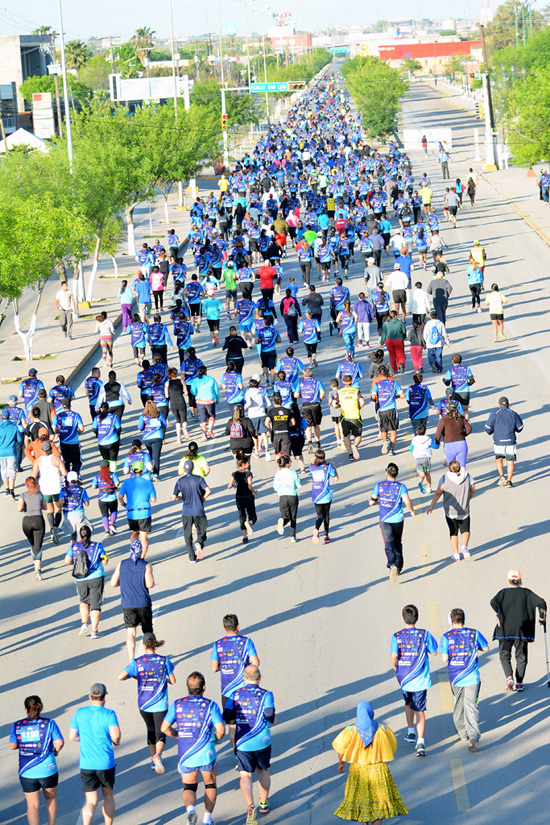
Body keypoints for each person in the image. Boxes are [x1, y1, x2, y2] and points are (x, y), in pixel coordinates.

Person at [160, 672, 224, 825]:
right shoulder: (211, 705)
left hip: (186, 753)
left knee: (189, 787)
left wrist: (177, 735)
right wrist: (216, 739)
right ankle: (207, 820)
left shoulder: (177, 704)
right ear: (204, 687)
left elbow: (164, 728)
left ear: (187, 688)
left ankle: (191, 811)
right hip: (206, 752)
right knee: (210, 784)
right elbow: (221, 730)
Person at [332, 701, 408, 824]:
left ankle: (364, 822)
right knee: (379, 802)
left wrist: (341, 763)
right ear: (371, 712)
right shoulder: (383, 729)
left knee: (363, 799)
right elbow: (392, 747)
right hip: (379, 770)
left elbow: (339, 748)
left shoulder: (350, 730)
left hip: (358, 770)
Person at [223, 666, 275, 823]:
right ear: (260, 677)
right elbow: (269, 714)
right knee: (263, 771)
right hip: (262, 740)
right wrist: (272, 720)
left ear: (243, 679)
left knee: (245, 774)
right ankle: (264, 803)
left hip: (242, 741)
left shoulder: (235, 694)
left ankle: (250, 806)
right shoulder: (267, 694)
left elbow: (226, 715)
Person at [118, 631, 175, 774]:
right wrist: (164, 680)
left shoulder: (136, 662)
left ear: (143, 646)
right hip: (160, 703)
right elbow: (173, 680)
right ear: (155, 644)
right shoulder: (164, 660)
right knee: (160, 731)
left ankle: (152, 760)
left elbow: (120, 677)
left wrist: (135, 676)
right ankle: (158, 755)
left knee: (150, 730)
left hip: (144, 704)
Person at [390, 604, 438, 756]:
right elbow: (435, 652)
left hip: (404, 678)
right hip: (420, 679)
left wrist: (396, 669)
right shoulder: (424, 634)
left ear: (403, 618)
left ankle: (411, 731)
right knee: (420, 710)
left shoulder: (397, 636)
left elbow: (394, 656)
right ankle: (421, 742)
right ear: (417, 618)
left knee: (408, 703)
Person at [69, 684, 121, 825]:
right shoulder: (109, 714)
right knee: (108, 796)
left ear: (90, 696)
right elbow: (115, 736)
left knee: (91, 801)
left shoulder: (80, 712)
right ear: (105, 697)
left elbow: (72, 736)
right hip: (105, 763)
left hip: (87, 765)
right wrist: (115, 741)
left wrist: (84, 738)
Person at [439, 608, 489, 752]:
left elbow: (444, 658)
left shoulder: (446, 636)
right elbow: (486, 648)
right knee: (471, 705)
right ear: (464, 619)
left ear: (451, 620)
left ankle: (462, 733)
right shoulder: (474, 633)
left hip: (456, 677)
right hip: (472, 676)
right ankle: (473, 735)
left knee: (458, 704)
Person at [9, 695, 64, 825]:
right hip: (48, 770)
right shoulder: (49, 723)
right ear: (40, 708)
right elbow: (59, 742)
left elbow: (12, 746)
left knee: (32, 806)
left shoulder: (17, 725)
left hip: (27, 771)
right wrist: (55, 750)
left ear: (26, 709)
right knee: (50, 799)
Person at [490, 570, 547, 691]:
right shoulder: (527, 593)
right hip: (522, 631)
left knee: (504, 655)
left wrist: (498, 614)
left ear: (508, 580)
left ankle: (509, 677)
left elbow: (493, 602)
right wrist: (542, 617)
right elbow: (542, 603)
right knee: (521, 657)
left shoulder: (503, 593)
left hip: (505, 629)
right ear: (520, 581)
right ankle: (520, 682)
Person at [369, 463, 415, 581]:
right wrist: (412, 511)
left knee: (388, 543)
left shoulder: (379, 486)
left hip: (385, 519)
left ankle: (392, 563)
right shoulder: (401, 486)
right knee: (398, 542)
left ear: (386, 473)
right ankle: (399, 566)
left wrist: (379, 502)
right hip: (398, 519)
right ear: (397, 474)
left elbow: (371, 502)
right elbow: (407, 501)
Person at [110, 540, 155, 659]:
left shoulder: (122, 564)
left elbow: (113, 583)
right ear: (141, 552)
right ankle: (149, 656)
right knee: (147, 632)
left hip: (128, 604)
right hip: (143, 603)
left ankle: (131, 659)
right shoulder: (146, 565)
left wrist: (124, 582)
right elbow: (150, 584)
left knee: (131, 633)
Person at [64, 525, 108, 639]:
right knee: (95, 604)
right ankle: (94, 631)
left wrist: (75, 562)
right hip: (96, 577)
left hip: (80, 578)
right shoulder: (98, 545)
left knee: (83, 601)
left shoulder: (73, 547)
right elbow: (105, 561)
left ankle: (84, 624)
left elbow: (67, 561)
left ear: (79, 535)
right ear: (91, 534)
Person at [427, 460, 476, 561]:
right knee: (465, 530)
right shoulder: (467, 475)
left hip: (450, 512)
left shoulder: (445, 478)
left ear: (449, 468)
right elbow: (473, 488)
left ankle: (456, 553)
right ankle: (464, 547)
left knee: (453, 532)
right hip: (464, 509)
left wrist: (431, 506)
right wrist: (469, 498)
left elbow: (438, 493)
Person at [210, 614, 260, 708]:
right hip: (244, 687)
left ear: (224, 627)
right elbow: (256, 663)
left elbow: (213, 668)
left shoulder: (217, 644)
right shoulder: (247, 641)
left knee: (230, 719)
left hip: (227, 690)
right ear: (238, 626)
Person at [172, 459, 211, 563]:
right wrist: (203, 498)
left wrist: (182, 498)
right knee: (202, 530)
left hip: (186, 512)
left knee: (187, 533)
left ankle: (192, 557)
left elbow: (174, 497)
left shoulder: (180, 481)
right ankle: (199, 542)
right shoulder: (199, 479)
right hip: (198, 510)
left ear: (184, 469)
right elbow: (208, 490)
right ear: (193, 468)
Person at [118, 463, 157, 557]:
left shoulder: (126, 483)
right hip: (145, 512)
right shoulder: (148, 482)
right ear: (142, 470)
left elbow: (120, 496)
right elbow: (153, 499)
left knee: (135, 533)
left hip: (132, 513)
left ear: (132, 470)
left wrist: (123, 503)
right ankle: (142, 557)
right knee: (144, 538)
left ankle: (135, 552)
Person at [484, 396, 524, 487]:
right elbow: (520, 427)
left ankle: (502, 476)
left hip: (498, 441)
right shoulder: (513, 413)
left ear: (499, 404)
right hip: (511, 441)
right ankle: (509, 481)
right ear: (508, 404)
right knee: (510, 461)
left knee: (499, 459)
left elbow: (487, 428)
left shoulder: (494, 413)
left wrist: (492, 431)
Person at [31, 442, 66, 544]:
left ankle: (51, 528)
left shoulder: (38, 461)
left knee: (49, 509)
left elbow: (33, 475)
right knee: (58, 509)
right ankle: (55, 527)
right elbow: (64, 473)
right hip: (57, 488)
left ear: (42, 450)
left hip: (45, 489)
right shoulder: (56, 459)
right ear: (51, 449)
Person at [17, 476, 48, 580]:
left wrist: (24, 509)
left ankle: (35, 564)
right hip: (38, 520)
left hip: (26, 521)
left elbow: (19, 509)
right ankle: (37, 569)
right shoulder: (40, 494)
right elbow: (45, 507)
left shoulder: (23, 495)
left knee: (32, 544)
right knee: (38, 545)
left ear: (26, 485)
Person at [370, 367, 405, 455]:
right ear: (387, 373)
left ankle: (385, 441)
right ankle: (391, 450)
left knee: (383, 429)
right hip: (392, 409)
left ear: (379, 375)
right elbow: (403, 396)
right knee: (393, 430)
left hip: (381, 410)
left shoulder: (376, 384)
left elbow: (373, 397)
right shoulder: (394, 383)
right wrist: (396, 396)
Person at [309, 449, 338, 544]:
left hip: (316, 496)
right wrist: (334, 467)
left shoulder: (312, 467)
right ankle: (326, 535)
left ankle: (316, 529)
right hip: (326, 495)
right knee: (326, 515)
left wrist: (313, 461)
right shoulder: (328, 466)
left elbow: (311, 466)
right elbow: (336, 479)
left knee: (319, 516)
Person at [52, 396, 84, 476]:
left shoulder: (58, 416)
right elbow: (81, 428)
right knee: (77, 461)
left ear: (62, 406)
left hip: (63, 442)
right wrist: (77, 433)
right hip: (74, 442)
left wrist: (59, 432)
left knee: (66, 462)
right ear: (70, 405)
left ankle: (67, 479)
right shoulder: (76, 415)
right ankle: (74, 476)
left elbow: (53, 428)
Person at [227, 457, 257, 543]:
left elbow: (229, 485)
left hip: (239, 497)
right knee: (252, 515)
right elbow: (249, 486)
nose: (248, 464)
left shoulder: (234, 474)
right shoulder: (248, 473)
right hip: (248, 496)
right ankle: (250, 523)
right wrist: (254, 491)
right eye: (247, 463)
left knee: (241, 516)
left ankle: (244, 536)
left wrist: (234, 486)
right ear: (243, 464)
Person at [273, 455, 301, 542]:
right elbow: (299, 485)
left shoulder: (278, 473)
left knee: (286, 516)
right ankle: (293, 536)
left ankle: (283, 521)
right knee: (293, 517)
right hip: (292, 496)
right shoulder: (293, 472)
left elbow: (275, 487)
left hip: (282, 497)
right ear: (287, 464)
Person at [188, 365, 220, 441]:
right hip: (210, 400)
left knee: (202, 418)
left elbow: (192, 391)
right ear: (206, 371)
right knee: (211, 416)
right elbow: (216, 390)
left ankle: (204, 435)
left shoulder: (195, 380)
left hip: (200, 401)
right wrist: (217, 399)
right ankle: (210, 429)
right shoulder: (211, 379)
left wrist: (197, 394)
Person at [138, 400, 167, 480]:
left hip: (147, 438)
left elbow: (140, 427)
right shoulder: (159, 414)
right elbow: (164, 425)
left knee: (151, 454)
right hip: (157, 437)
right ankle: (155, 474)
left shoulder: (143, 416)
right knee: (156, 456)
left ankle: (150, 471)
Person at [339, 373, 365, 461]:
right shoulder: (355, 391)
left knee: (346, 436)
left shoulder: (340, 392)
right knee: (358, 435)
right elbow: (362, 402)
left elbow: (334, 404)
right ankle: (355, 445)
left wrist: (340, 405)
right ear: (351, 381)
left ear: (343, 382)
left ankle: (350, 454)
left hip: (345, 417)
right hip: (355, 416)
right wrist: (359, 408)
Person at [59, 472, 90, 542]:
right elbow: (87, 503)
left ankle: (74, 549)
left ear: (67, 480)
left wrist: (63, 505)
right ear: (77, 479)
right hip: (80, 515)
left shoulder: (63, 490)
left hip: (69, 515)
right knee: (82, 531)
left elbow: (60, 502)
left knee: (73, 534)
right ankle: (82, 547)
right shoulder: (82, 490)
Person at [443, 354, 475, 419]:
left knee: (455, 408)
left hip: (455, 392)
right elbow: (472, 380)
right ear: (461, 361)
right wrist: (467, 384)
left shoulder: (450, 370)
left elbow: (447, 383)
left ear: (452, 361)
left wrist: (443, 379)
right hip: (465, 392)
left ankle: (457, 423)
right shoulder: (467, 369)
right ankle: (466, 423)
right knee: (465, 409)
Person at [409, 423, 438, 494]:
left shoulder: (414, 439)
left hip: (417, 458)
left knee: (421, 474)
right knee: (427, 473)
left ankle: (420, 482)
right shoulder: (427, 439)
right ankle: (429, 488)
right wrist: (438, 444)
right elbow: (435, 446)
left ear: (416, 432)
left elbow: (411, 449)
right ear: (425, 432)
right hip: (426, 458)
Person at [92, 403, 122, 473]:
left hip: (102, 443)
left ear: (101, 409)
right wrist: (116, 435)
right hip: (113, 441)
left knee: (106, 460)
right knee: (113, 460)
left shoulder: (96, 418)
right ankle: (113, 475)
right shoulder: (114, 417)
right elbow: (118, 429)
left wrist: (99, 434)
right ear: (108, 408)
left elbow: (94, 429)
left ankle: (107, 474)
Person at [0, 406, 22, 498]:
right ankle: (12, 491)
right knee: (12, 471)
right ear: (9, 417)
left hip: (1, 453)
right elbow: (19, 439)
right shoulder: (14, 427)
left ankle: (7, 490)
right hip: (11, 452)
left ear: (1, 417)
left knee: (4, 470)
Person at [265, 393, 294, 458]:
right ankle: (286, 467)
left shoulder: (271, 411)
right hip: (286, 433)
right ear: (281, 402)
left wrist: (270, 431)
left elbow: (266, 423)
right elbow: (293, 423)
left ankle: (278, 468)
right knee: (286, 455)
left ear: (273, 402)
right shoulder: (287, 411)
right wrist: (287, 425)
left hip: (276, 434)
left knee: (278, 454)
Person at [255, 317, 281, 385]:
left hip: (263, 351)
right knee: (272, 367)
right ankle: (272, 381)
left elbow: (256, 341)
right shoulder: (274, 330)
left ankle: (266, 380)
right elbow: (279, 340)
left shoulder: (260, 331)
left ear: (264, 323)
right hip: (272, 351)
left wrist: (261, 341)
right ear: (270, 323)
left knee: (264, 366)